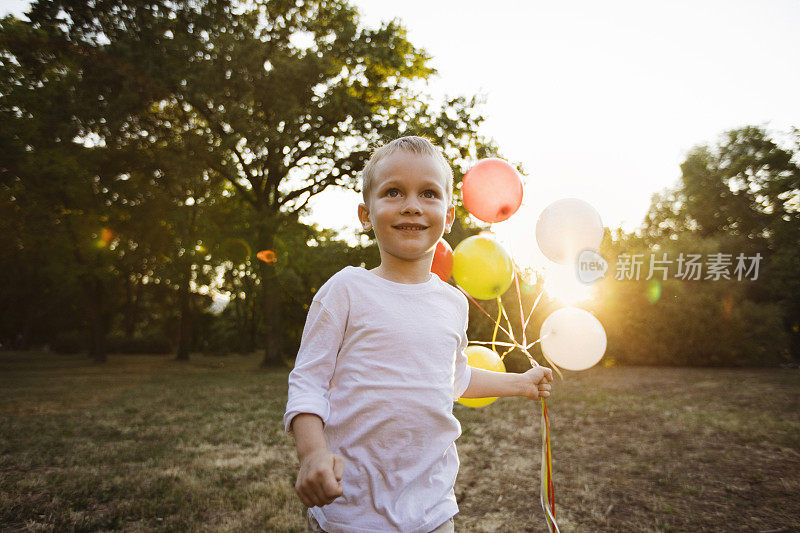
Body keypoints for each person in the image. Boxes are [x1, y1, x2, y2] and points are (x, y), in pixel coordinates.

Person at [284, 136, 553, 533]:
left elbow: (455, 378)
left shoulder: (453, 303)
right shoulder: (346, 290)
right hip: (351, 511)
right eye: (393, 192)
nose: (411, 204)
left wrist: (519, 383)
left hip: (432, 509)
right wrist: (312, 454)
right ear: (365, 213)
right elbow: (307, 383)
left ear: (448, 216)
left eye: (428, 193)